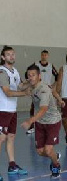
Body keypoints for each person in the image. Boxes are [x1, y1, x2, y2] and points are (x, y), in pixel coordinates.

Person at [21, 64, 63, 178]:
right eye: (29, 75)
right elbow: (20, 87)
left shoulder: (43, 89)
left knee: (48, 150)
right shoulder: (31, 85)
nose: (31, 77)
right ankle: (55, 155)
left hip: (52, 121)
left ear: (39, 76)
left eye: (33, 75)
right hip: (40, 123)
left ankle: (56, 165)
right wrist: (60, 100)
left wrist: (30, 121)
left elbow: (43, 109)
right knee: (40, 151)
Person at [0, 45, 29, 180]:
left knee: (11, 137)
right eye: (8, 54)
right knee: (1, 138)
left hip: (12, 110)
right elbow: (7, 92)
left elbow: (20, 86)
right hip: (2, 110)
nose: (11, 56)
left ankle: (12, 165)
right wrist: (24, 94)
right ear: (3, 57)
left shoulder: (15, 71)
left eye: (13, 54)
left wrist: (31, 81)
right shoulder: (2, 72)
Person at [26, 50, 59, 134]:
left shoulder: (51, 66)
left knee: (47, 107)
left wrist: (53, 85)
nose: (44, 56)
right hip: (37, 89)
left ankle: (49, 124)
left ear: (47, 56)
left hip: (46, 89)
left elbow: (57, 76)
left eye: (45, 55)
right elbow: (28, 73)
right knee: (34, 107)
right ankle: (32, 126)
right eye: (42, 55)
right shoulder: (36, 64)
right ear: (41, 55)